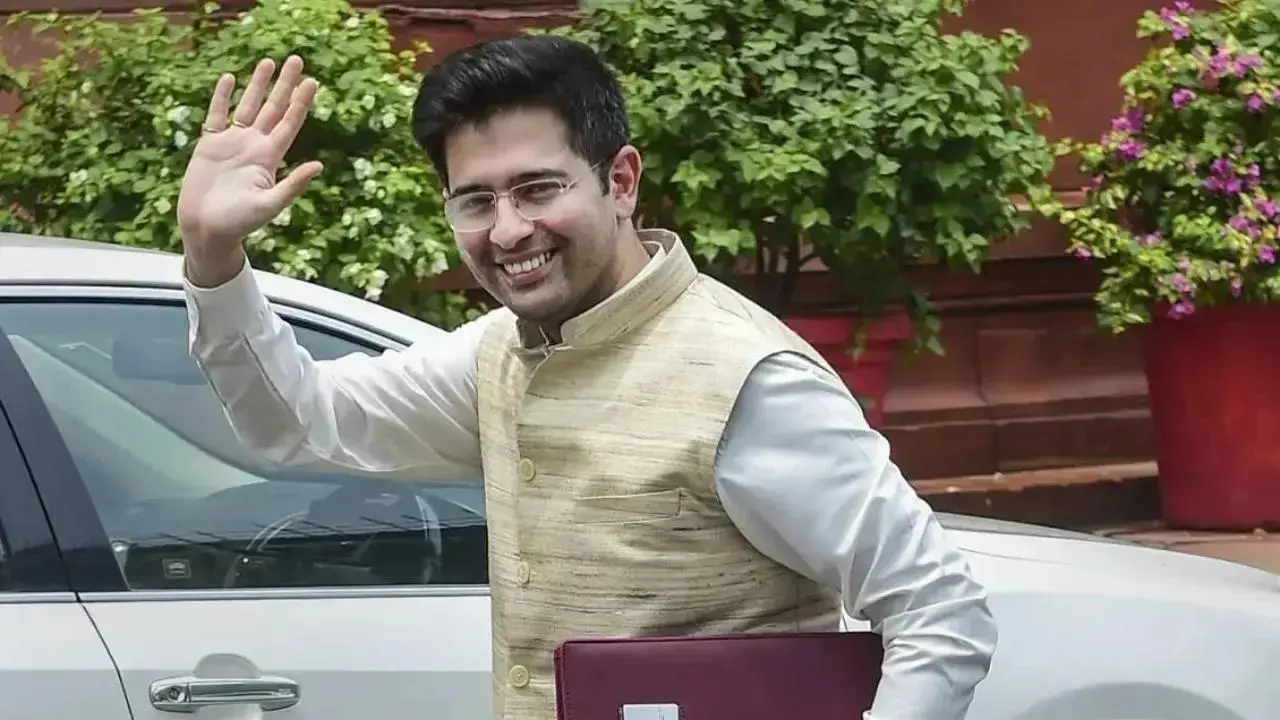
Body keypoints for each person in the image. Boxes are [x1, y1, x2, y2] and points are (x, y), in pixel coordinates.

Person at [177, 37, 997, 720]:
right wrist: (214, 257)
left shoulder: (744, 378)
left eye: (538, 189)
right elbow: (301, 420)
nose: (508, 231)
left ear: (621, 181)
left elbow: (940, 612)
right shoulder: (498, 353)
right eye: (475, 201)